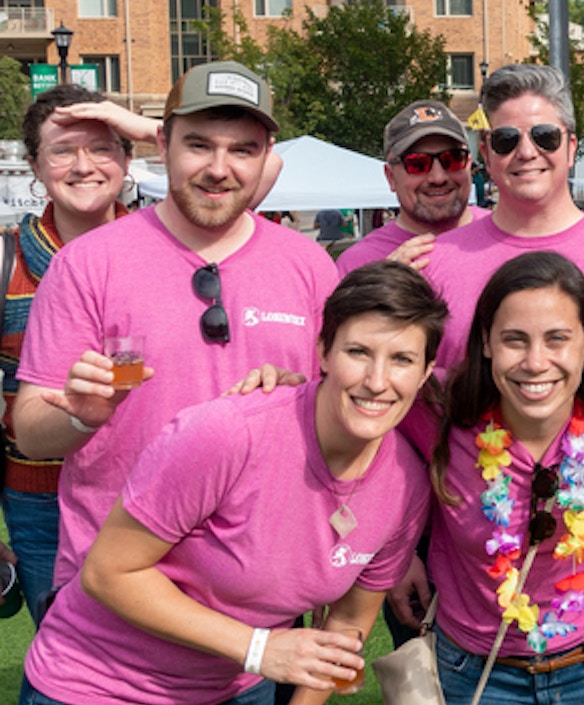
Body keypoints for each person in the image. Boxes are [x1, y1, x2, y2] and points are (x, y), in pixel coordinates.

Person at [20, 262, 445, 705]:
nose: (377, 382)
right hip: (100, 684)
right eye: (358, 352)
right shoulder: (229, 432)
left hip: (237, 688)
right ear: (323, 351)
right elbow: (107, 573)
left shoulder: (406, 485)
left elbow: (345, 627)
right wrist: (258, 648)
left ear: (427, 369)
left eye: (402, 359)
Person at [13, 60, 339, 597]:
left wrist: (302, 402)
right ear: (161, 145)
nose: (219, 168)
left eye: (242, 150)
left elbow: (337, 416)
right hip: (114, 593)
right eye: (199, 145)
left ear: (264, 158)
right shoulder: (88, 263)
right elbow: (29, 428)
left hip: (256, 589)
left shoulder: (309, 267)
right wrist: (81, 418)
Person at [415, 251, 584, 703]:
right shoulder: (436, 407)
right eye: (514, 340)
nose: (535, 361)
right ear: (485, 341)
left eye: (557, 339)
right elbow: (355, 418)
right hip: (477, 674)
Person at [415, 63, 584, 381]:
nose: (526, 152)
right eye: (506, 140)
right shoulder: (432, 264)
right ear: (486, 153)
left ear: (571, 148)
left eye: (544, 137)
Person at [0, 86, 139, 627]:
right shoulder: (8, 261)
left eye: (103, 147)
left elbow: (253, 172)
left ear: (128, 161)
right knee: (71, 660)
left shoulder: (171, 249)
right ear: (34, 165)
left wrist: (143, 127)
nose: (84, 165)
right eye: (62, 150)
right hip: (42, 504)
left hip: (151, 490)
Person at [336, 101, 487, 274]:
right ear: (390, 177)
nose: (438, 178)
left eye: (452, 159)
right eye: (417, 163)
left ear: (468, 164)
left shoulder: (506, 237)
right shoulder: (357, 265)